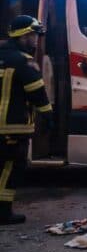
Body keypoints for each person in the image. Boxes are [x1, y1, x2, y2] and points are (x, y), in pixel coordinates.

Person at [0, 15, 54, 225]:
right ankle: (3, 212)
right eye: (33, 36)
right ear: (23, 36)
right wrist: (48, 116)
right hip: (12, 127)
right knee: (11, 169)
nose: (36, 40)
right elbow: (37, 93)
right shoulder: (24, 62)